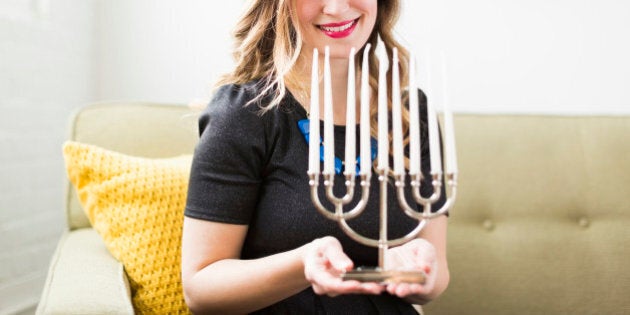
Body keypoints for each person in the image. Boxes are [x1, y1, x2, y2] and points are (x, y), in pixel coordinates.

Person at [181, 0, 450, 313]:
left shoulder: (410, 115)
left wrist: (420, 268)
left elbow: (436, 277)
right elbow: (200, 290)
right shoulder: (246, 114)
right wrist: (304, 264)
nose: (336, 7)